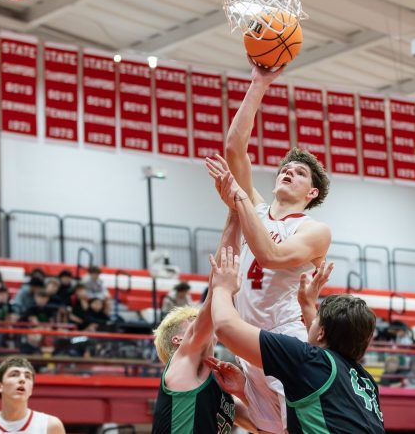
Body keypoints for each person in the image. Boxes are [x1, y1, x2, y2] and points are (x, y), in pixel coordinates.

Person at [205, 63, 331, 434]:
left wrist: (238, 202)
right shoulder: (256, 210)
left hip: (285, 336)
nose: (288, 171)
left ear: (311, 194)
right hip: (248, 341)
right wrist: (259, 82)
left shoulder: (314, 230)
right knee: (267, 428)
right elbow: (234, 147)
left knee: (300, 426)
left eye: (300, 172)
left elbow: (270, 257)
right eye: (285, 168)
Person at [209, 250, 385, 434]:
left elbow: (225, 328)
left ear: (322, 332)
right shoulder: (366, 381)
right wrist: (308, 306)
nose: (309, 322)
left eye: (315, 320)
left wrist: (222, 288)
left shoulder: (306, 360)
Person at [151, 210, 256, 434]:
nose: (201, 321)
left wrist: (243, 392)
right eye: (193, 319)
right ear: (179, 339)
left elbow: (264, 427)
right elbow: (214, 293)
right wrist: (234, 215)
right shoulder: (182, 366)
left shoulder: (222, 393)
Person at [0, 356, 65, 434]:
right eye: (14, 375)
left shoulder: (51, 426)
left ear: (31, 389)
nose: (22, 379)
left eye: (27, 376)